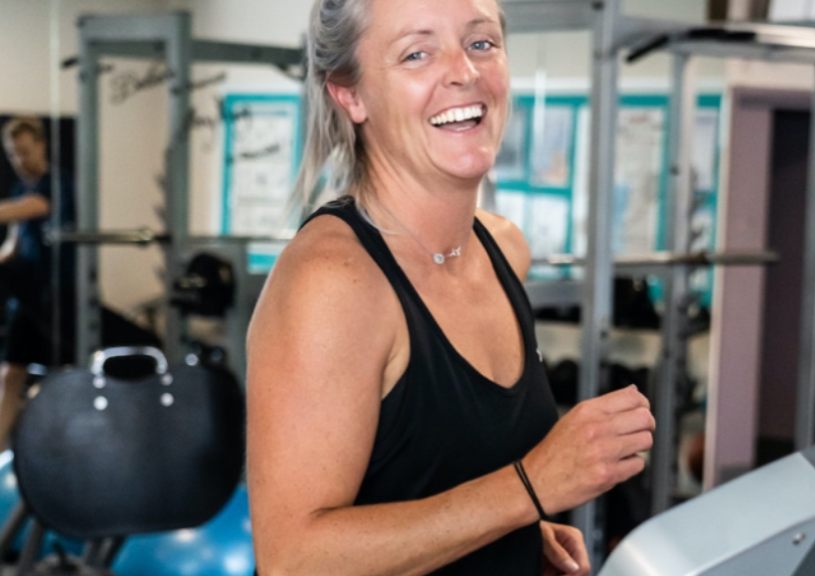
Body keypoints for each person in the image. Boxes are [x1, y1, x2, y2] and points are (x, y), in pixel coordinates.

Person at [246, 0, 655, 573]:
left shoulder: (503, 249)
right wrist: (529, 489)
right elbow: (294, 560)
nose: (464, 72)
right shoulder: (335, 281)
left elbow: (436, 478)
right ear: (350, 94)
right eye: (417, 53)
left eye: (481, 43)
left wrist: (514, 536)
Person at [0, 116, 76, 449]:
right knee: (10, 374)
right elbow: (12, 246)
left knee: (63, 376)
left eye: (24, 151)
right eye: (12, 154)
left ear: (42, 146)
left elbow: (32, 208)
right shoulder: (19, 189)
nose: (19, 160)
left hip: (58, 296)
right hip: (26, 298)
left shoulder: (57, 184)